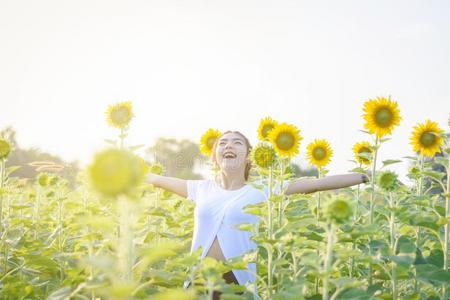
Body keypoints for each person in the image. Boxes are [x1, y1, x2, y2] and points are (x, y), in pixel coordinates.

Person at [146, 130, 369, 300]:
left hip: (238, 284)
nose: (228, 145)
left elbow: (316, 184)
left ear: (248, 157)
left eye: (236, 142)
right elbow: (155, 179)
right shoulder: (200, 188)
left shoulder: (262, 188)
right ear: (214, 157)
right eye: (222, 143)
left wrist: (363, 176)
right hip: (199, 284)